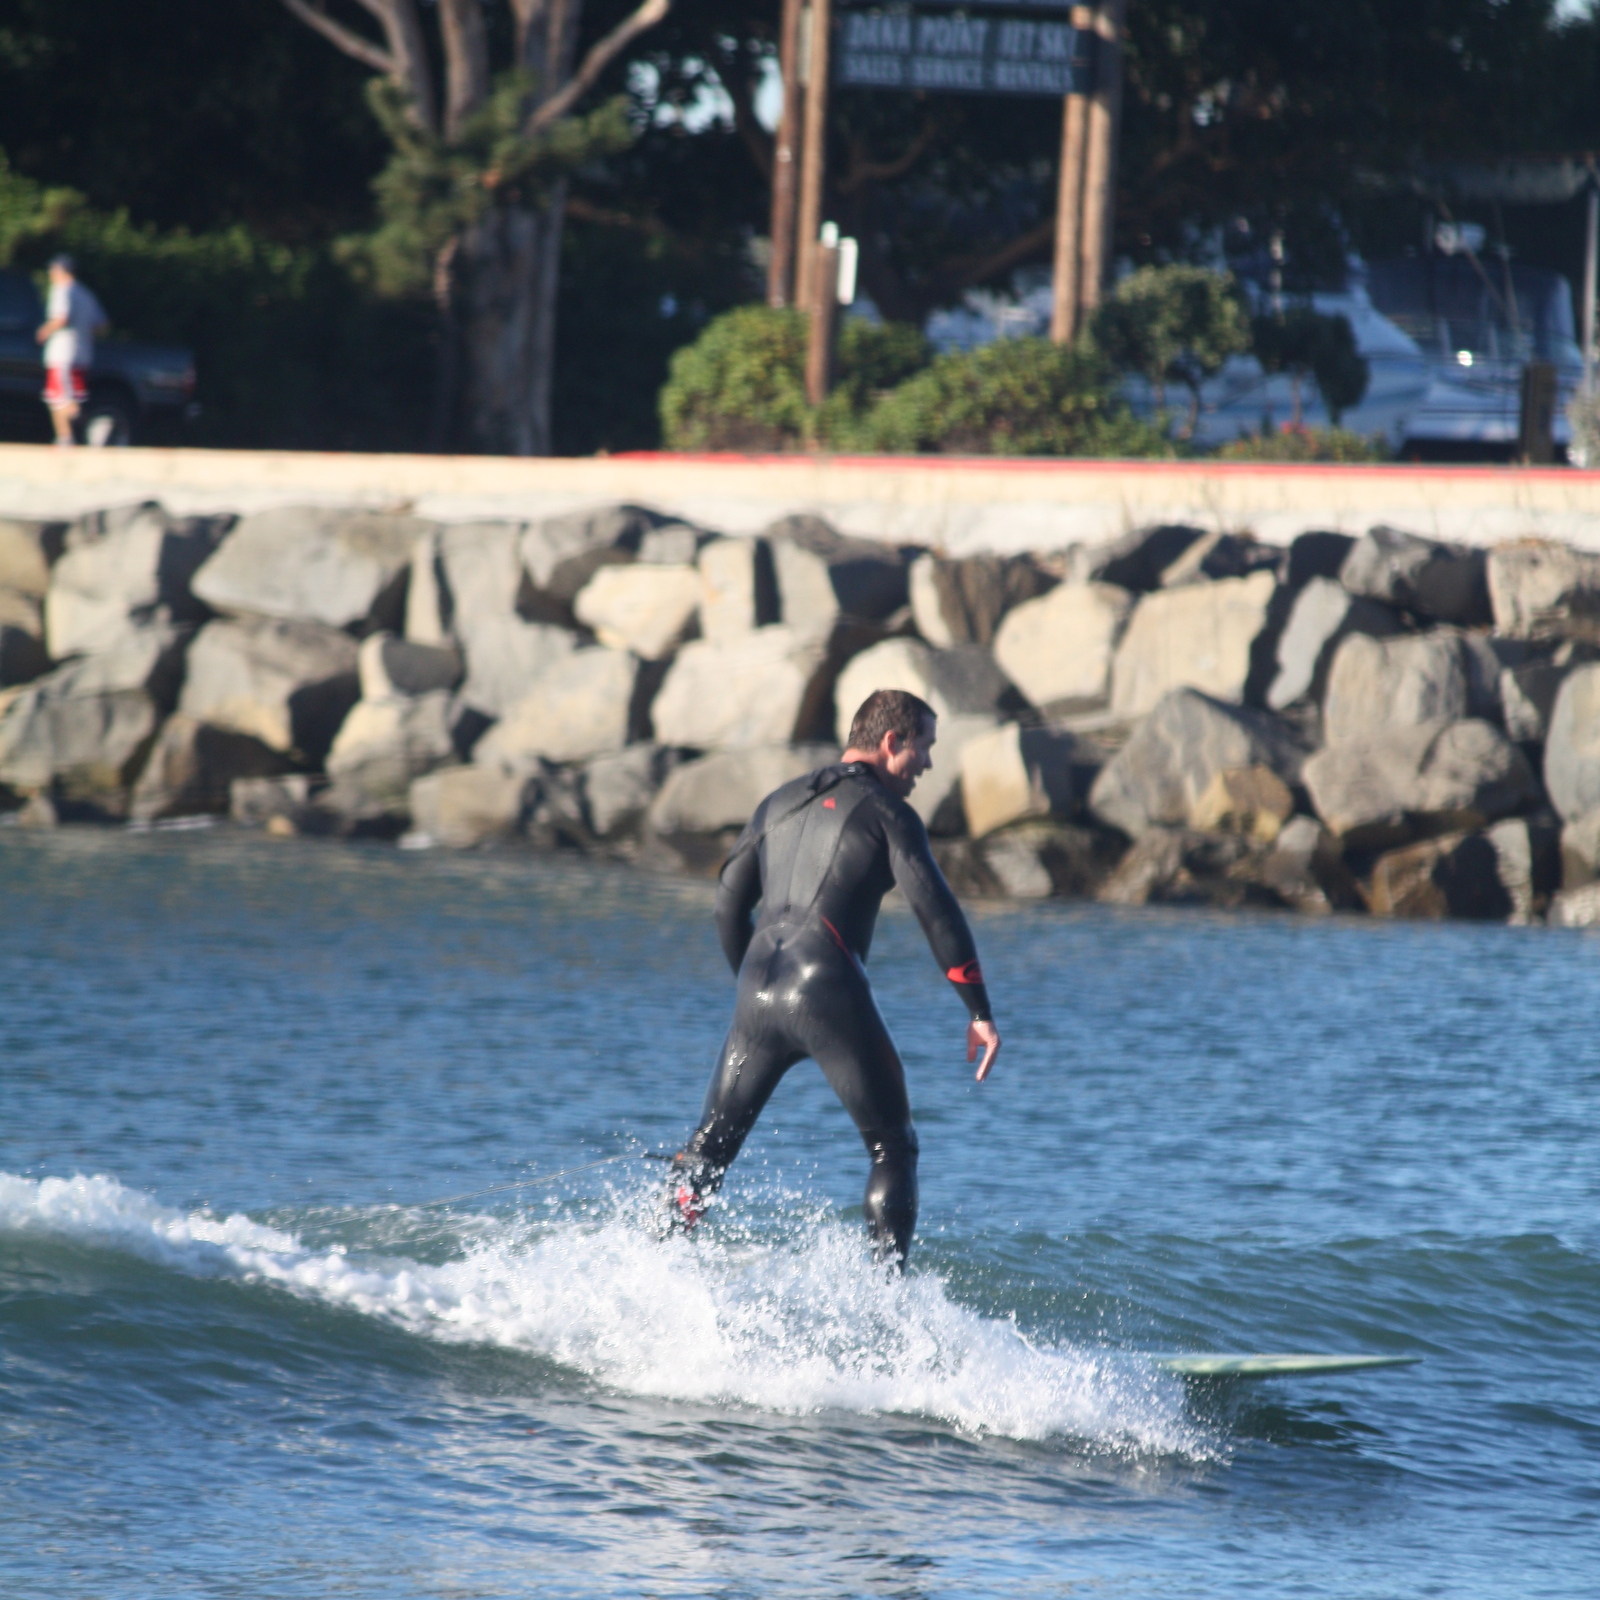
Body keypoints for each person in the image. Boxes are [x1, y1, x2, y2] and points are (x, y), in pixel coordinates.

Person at [664, 688, 1002, 1265]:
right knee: (892, 1147)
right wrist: (978, 1012)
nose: (927, 764)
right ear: (892, 742)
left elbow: (727, 903)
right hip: (825, 984)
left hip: (756, 990)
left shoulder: (778, 801)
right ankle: (891, 1307)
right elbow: (937, 912)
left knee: (710, 1147)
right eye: (924, 747)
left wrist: (753, 989)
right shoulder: (890, 814)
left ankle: (659, 1259)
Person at [36, 255, 107, 447]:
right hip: (82, 354)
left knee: (60, 398)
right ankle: (65, 438)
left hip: (62, 354)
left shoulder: (62, 291)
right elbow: (101, 325)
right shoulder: (86, 294)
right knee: (61, 398)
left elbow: (61, 318)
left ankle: (94, 425)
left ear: (60, 271)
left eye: (52, 270)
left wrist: (45, 331)